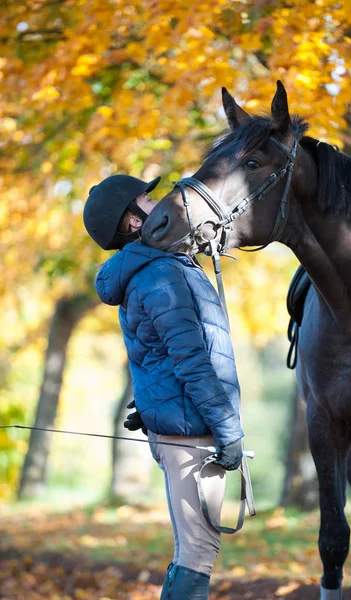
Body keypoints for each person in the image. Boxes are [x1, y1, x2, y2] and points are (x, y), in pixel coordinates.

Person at [83, 174, 244, 600]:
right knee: (197, 554)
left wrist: (152, 399)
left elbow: (155, 352)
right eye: (147, 200)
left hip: (184, 426)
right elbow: (192, 359)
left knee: (192, 550)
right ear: (134, 223)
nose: (160, 204)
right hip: (193, 433)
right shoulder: (159, 276)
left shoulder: (160, 269)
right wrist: (228, 429)